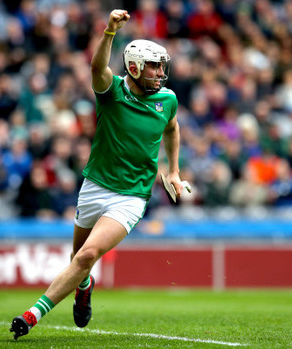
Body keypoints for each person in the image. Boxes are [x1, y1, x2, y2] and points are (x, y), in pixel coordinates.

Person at [9, 9, 184, 339]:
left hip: (132, 196)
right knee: (78, 258)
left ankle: (32, 315)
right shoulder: (113, 91)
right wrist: (109, 32)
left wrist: (173, 170)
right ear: (133, 67)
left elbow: (173, 129)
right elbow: (96, 67)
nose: (160, 72)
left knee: (88, 253)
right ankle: (84, 286)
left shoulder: (168, 100)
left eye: (162, 65)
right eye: (153, 65)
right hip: (95, 186)